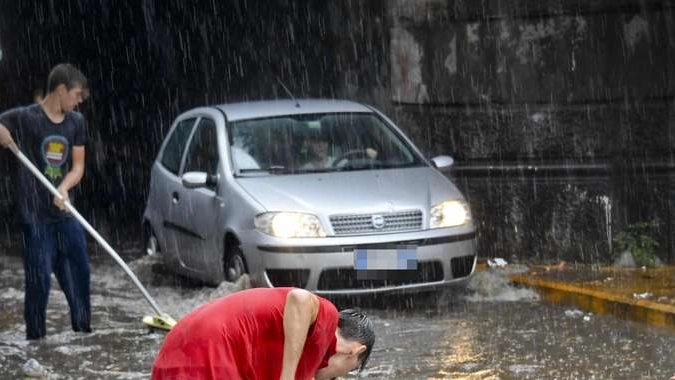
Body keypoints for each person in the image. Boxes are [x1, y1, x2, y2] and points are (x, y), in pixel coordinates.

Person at [0, 63, 91, 340]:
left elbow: (77, 167)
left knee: (80, 273)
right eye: (76, 95)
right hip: (34, 218)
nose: (78, 102)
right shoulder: (25, 118)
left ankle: (83, 335)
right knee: (38, 283)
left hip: (64, 215)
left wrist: (63, 188)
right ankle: (36, 342)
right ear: (61, 89)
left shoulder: (76, 122)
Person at [151, 287, 375, 380]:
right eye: (350, 370)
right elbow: (300, 298)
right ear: (355, 352)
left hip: (179, 345)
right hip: (210, 348)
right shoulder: (327, 317)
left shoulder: (296, 347)